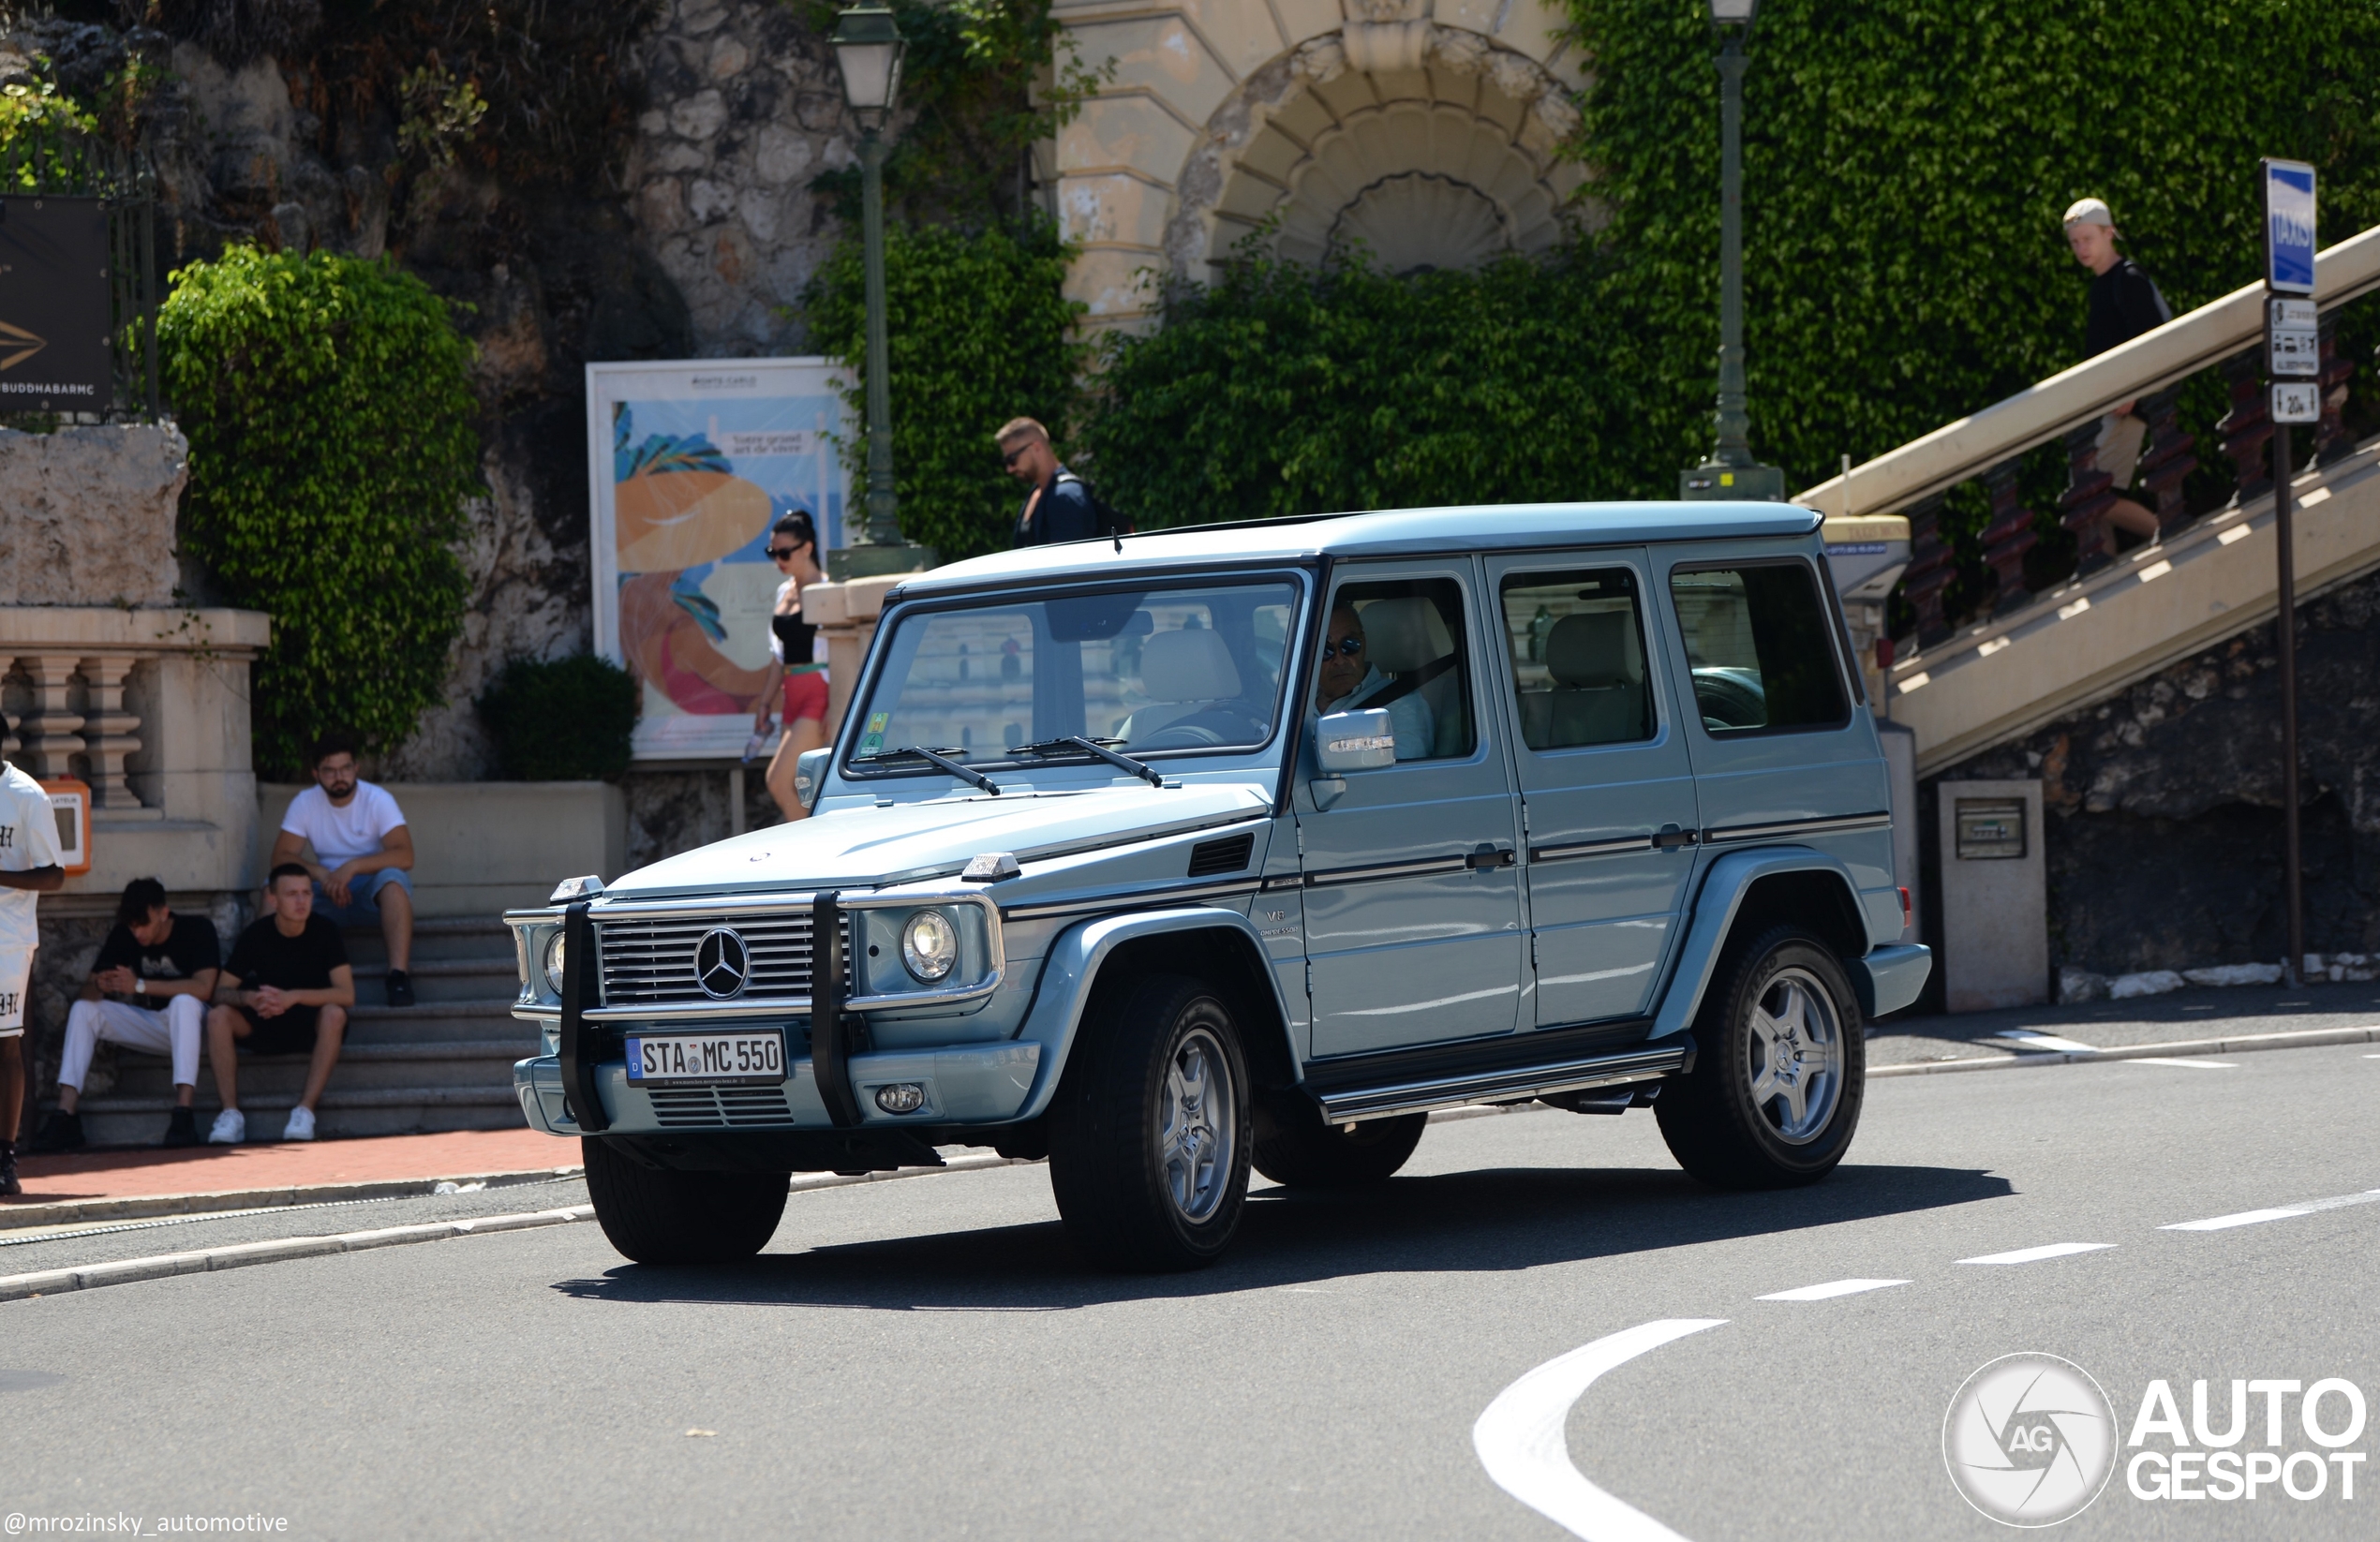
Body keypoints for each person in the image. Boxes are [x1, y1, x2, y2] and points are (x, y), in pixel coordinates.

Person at [28, 878, 219, 1151]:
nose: (138, 931)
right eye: (133, 925)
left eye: (144, 923)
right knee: (85, 1009)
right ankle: (65, 1114)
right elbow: (86, 995)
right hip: (158, 1027)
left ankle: (184, 1113)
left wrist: (140, 985)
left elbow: (205, 988)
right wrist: (99, 985)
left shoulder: (197, 929)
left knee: (184, 1003)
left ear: (164, 913)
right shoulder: (125, 935)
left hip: (200, 1028)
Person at [205, 864, 354, 1144]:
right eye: (292, 894)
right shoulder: (256, 934)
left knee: (335, 1014)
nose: (301, 901)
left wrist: (293, 997)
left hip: (310, 1024)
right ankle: (230, 1114)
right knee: (218, 1016)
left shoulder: (325, 931)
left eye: (307, 893)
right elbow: (220, 992)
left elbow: (346, 994)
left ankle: (305, 1110)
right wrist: (248, 998)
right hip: (265, 1021)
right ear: (272, 899)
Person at [271, 732, 416, 1006]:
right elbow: (280, 857)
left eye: (345, 768)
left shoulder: (377, 799)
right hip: (324, 893)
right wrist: (322, 874)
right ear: (316, 773)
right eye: (330, 771)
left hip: (367, 892)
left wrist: (353, 867)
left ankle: (398, 976)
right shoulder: (305, 802)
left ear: (356, 769)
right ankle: (267, 974)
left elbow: (405, 854)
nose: (339, 777)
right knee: (273, 889)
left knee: (394, 881)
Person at [2065, 197, 2174, 541]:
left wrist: (2133, 390)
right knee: (2092, 498)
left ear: (2109, 233)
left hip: (2126, 409)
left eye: (2088, 238)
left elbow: (2157, 338)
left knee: (2094, 496)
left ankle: (2169, 536)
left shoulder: (2128, 277)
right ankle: (2105, 566)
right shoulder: (2103, 284)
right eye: (2075, 242)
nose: (2081, 248)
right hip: (2109, 408)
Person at [0, 749, 65, 1195]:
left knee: (6, 1043)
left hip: (6, 938)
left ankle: (5, 1157)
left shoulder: (26, 795)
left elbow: (54, 875)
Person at [748, 512, 830, 823]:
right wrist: (765, 703)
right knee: (802, 786)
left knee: (779, 782)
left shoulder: (825, 590)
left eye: (784, 552)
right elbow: (778, 656)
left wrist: (837, 709)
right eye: (773, 552)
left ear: (807, 548)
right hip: (790, 694)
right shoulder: (785, 591)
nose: (778, 560)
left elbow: (840, 652)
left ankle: (816, 853)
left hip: (816, 693)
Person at [1313, 603, 1435, 762]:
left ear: (1363, 643)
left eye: (1350, 645)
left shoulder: (1400, 705)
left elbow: (1400, 777)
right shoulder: (1294, 703)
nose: (1339, 660)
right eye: (1325, 649)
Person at [998, 417, 1104, 547]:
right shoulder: (1038, 492)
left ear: (1036, 447)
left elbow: (1065, 563)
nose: (1009, 469)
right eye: (1006, 462)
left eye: (1012, 459)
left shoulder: (1065, 496)